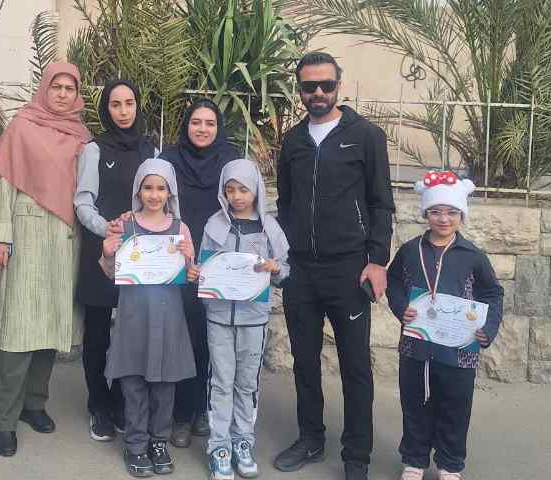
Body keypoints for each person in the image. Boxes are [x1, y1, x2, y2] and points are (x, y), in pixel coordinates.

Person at [274, 51, 395, 480]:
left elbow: (382, 203)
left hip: (349, 269)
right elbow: (285, 203)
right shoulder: (292, 141)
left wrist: (377, 260)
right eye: (310, 86)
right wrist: (282, 256)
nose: (318, 93)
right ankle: (310, 438)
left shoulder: (366, 136)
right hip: (301, 271)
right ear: (300, 91)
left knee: (355, 366)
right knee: (304, 362)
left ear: (338, 86)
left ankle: (356, 455)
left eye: (326, 85)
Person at [0, 63, 91, 457]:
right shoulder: (21, 127)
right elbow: (5, 185)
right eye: (57, 86)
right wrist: (1, 236)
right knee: (19, 327)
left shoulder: (81, 135)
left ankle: (34, 404)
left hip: (66, 239)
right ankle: (3, 419)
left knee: (50, 321)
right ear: (44, 88)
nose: (63, 94)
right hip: (27, 233)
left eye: (70, 88)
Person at [386, 171, 503, 480]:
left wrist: (488, 328)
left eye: (451, 212)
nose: (443, 219)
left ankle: (450, 464)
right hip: (416, 347)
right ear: (426, 213)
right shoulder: (410, 250)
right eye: (436, 211)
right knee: (415, 404)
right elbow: (393, 282)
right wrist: (401, 308)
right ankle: (414, 460)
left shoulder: (473, 256)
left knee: (455, 407)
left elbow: (493, 293)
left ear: (461, 215)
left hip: (460, 351)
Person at [187, 159, 289, 480]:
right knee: (221, 381)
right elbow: (202, 266)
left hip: (254, 319)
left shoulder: (269, 228)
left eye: (243, 189)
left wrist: (275, 268)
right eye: (230, 190)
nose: (237, 196)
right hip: (219, 317)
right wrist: (196, 273)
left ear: (256, 189)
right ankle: (219, 447)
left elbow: (285, 269)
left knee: (246, 383)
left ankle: (243, 442)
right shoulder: (214, 225)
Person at [100, 158, 196, 477]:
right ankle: (136, 444)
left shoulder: (180, 229)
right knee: (134, 384)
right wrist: (108, 253)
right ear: (138, 190)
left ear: (170, 192)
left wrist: (190, 264)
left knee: (165, 386)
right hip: (134, 319)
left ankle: (159, 442)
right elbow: (112, 272)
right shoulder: (125, 226)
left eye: (161, 188)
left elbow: (190, 276)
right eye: (148, 188)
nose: (154, 195)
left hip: (169, 320)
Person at [75, 79, 157, 441]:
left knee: (132, 333)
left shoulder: (151, 150)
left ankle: (124, 402)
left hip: (140, 254)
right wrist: (105, 228)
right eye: (115, 104)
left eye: (129, 103)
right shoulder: (94, 149)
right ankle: (99, 405)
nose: (123, 111)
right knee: (97, 334)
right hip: (102, 252)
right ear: (106, 110)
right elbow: (83, 201)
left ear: (138, 105)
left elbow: (160, 197)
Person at [161, 98, 240, 447]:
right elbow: (155, 199)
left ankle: (203, 410)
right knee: (182, 338)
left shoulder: (230, 160)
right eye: (196, 122)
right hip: (177, 259)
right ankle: (180, 414)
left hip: (216, 260)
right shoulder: (169, 159)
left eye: (210, 123)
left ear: (218, 127)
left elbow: (244, 203)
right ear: (186, 125)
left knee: (212, 339)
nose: (202, 129)